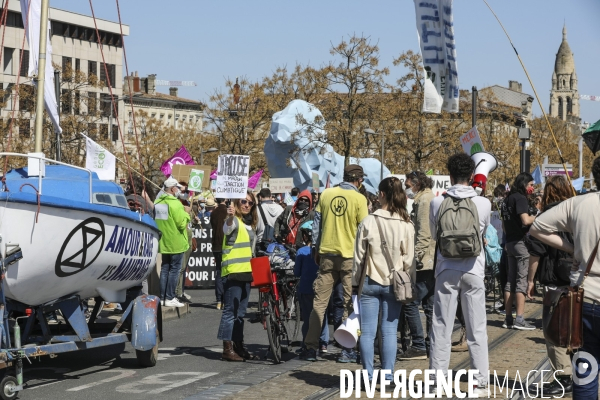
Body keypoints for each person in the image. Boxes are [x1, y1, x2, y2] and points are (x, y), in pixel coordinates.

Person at [530, 156, 600, 398]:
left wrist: (572, 249)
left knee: (586, 370)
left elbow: (537, 227)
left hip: (587, 299)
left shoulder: (579, 204)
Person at [428, 153, 491, 395]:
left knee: (441, 326)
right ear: (472, 175)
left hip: (446, 269)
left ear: (450, 175)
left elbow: (435, 237)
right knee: (477, 329)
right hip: (474, 268)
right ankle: (480, 384)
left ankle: (437, 383)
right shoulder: (483, 203)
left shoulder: (437, 202)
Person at [303, 164, 369, 362]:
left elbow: (317, 224)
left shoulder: (327, 194)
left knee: (319, 304)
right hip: (350, 257)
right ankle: (347, 350)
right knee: (350, 304)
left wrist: (316, 248)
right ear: (358, 180)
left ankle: (310, 348)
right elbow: (364, 230)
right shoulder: (359, 198)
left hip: (327, 255)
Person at [353, 177, 415, 384]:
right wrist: (408, 281)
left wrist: (354, 283)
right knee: (389, 331)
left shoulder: (368, 221)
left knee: (368, 332)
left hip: (370, 281)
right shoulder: (406, 224)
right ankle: (388, 375)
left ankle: (368, 376)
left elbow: (358, 258)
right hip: (394, 284)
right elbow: (409, 260)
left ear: (381, 195)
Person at [524, 175, 574, 395]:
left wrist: (529, 280)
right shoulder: (576, 213)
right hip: (578, 278)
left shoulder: (547, 216)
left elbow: (536, 253)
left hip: (554, 279)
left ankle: (563, 376)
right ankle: (575, 371)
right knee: (575, 329)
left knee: (553, 328)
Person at [217, 191, 262, 362]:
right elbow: (227, 228)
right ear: (236, 202)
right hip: (233, 272)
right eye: (244, 201)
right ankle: (227, 348)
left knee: (240, 313)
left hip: (246, 273)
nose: (246, 205)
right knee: (230, 312)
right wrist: (230, 216)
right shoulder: (234, 221)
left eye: (250, 203)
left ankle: (238, 345)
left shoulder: (248, 224)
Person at [398, 171, 436, 360]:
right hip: (430, 260)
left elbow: (424, 232)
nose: (406, 189)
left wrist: (417, 258)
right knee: (429, 304)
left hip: (424, 260)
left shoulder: (424, 201)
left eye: (407, 185)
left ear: (416, 184)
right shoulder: (427, 198)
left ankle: (419, 345)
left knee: (410, 302)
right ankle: (431, 344)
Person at [503, 172, 536, 330]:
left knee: (510, 281)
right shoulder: (520, 198)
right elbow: (525, 220)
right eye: (530, 184)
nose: (532, 187)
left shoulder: (507, 198)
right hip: (520, 243)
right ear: (524, 184)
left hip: (509, 242)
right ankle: (520, 319)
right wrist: (538, 217)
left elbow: (504, 225)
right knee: (521, 280)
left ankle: (508, 318)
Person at [154, 177, 190, 308]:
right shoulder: (175, 204)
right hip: (176, 241)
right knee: (174, 270)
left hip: (164, 241)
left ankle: (163, 297)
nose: (179, 190)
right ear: (173, 188)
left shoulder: (158, 202)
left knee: (165, 268)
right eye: (178, 188)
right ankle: (169, 297)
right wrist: (187, 214)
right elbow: (182, 224)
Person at [294, 221, 329, 354]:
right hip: (322, 286)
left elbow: (297, 272)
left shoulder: (301, 251)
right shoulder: (323, 251)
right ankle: (323, 343)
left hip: (306, 288)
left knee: (308, 317)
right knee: (322, 314)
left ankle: (307, 343)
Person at [210, 198, 228, 310]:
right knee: (226, 273)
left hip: (216, 245)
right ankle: (225, 299)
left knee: (218, 271)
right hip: (225, 245)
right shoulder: (228, 211)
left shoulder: (214, 213)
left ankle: (218, 301)